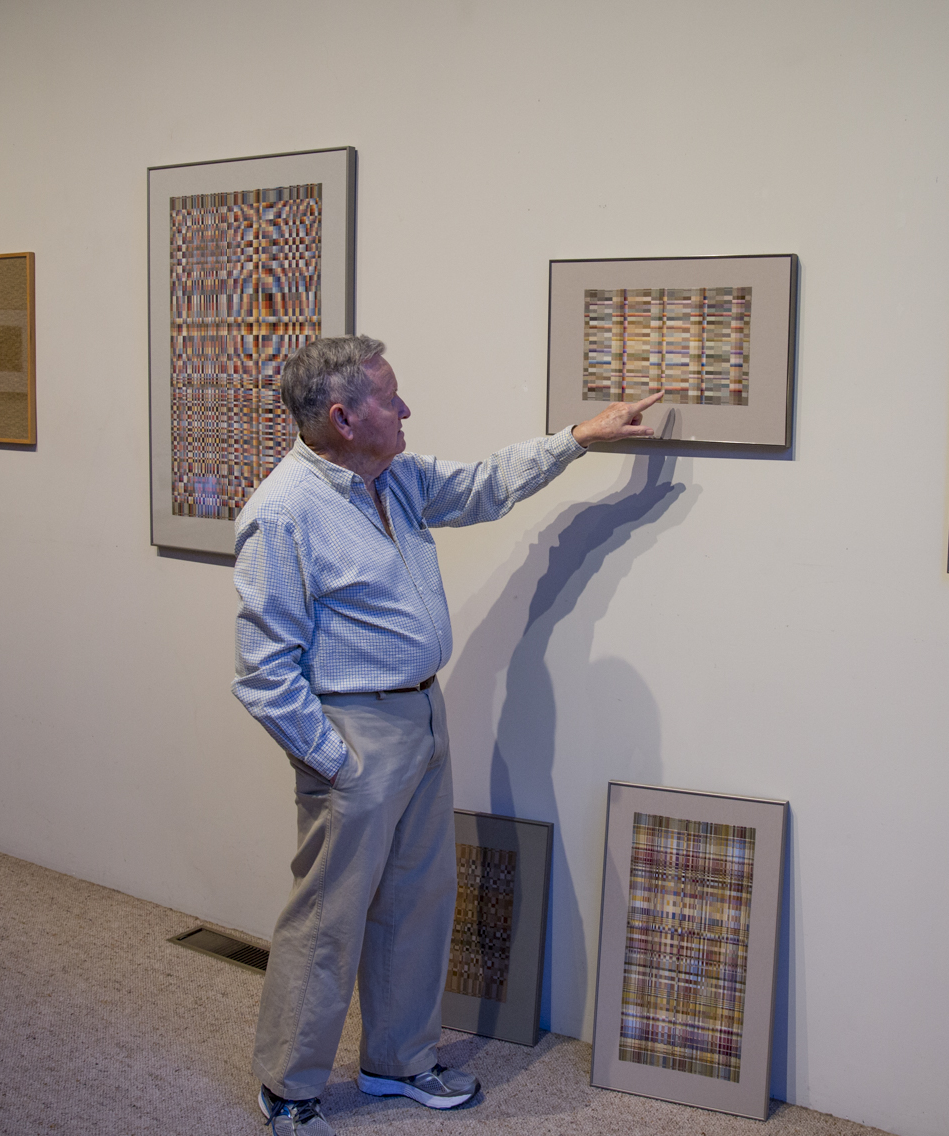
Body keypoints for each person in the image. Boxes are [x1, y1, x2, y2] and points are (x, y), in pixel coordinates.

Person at [232, 335, 663, 1135]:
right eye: (390, 399)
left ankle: (398, 1062)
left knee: (419, 900)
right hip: (354, 732)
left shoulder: (390, 475)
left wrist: (578, 439)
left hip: (423, 716)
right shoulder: (285, 512)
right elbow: (263, 669)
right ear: (344, 416)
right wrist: (334, 760)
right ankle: (289, 1089)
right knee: (330, 916)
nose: (405, 411)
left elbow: (482, 485)